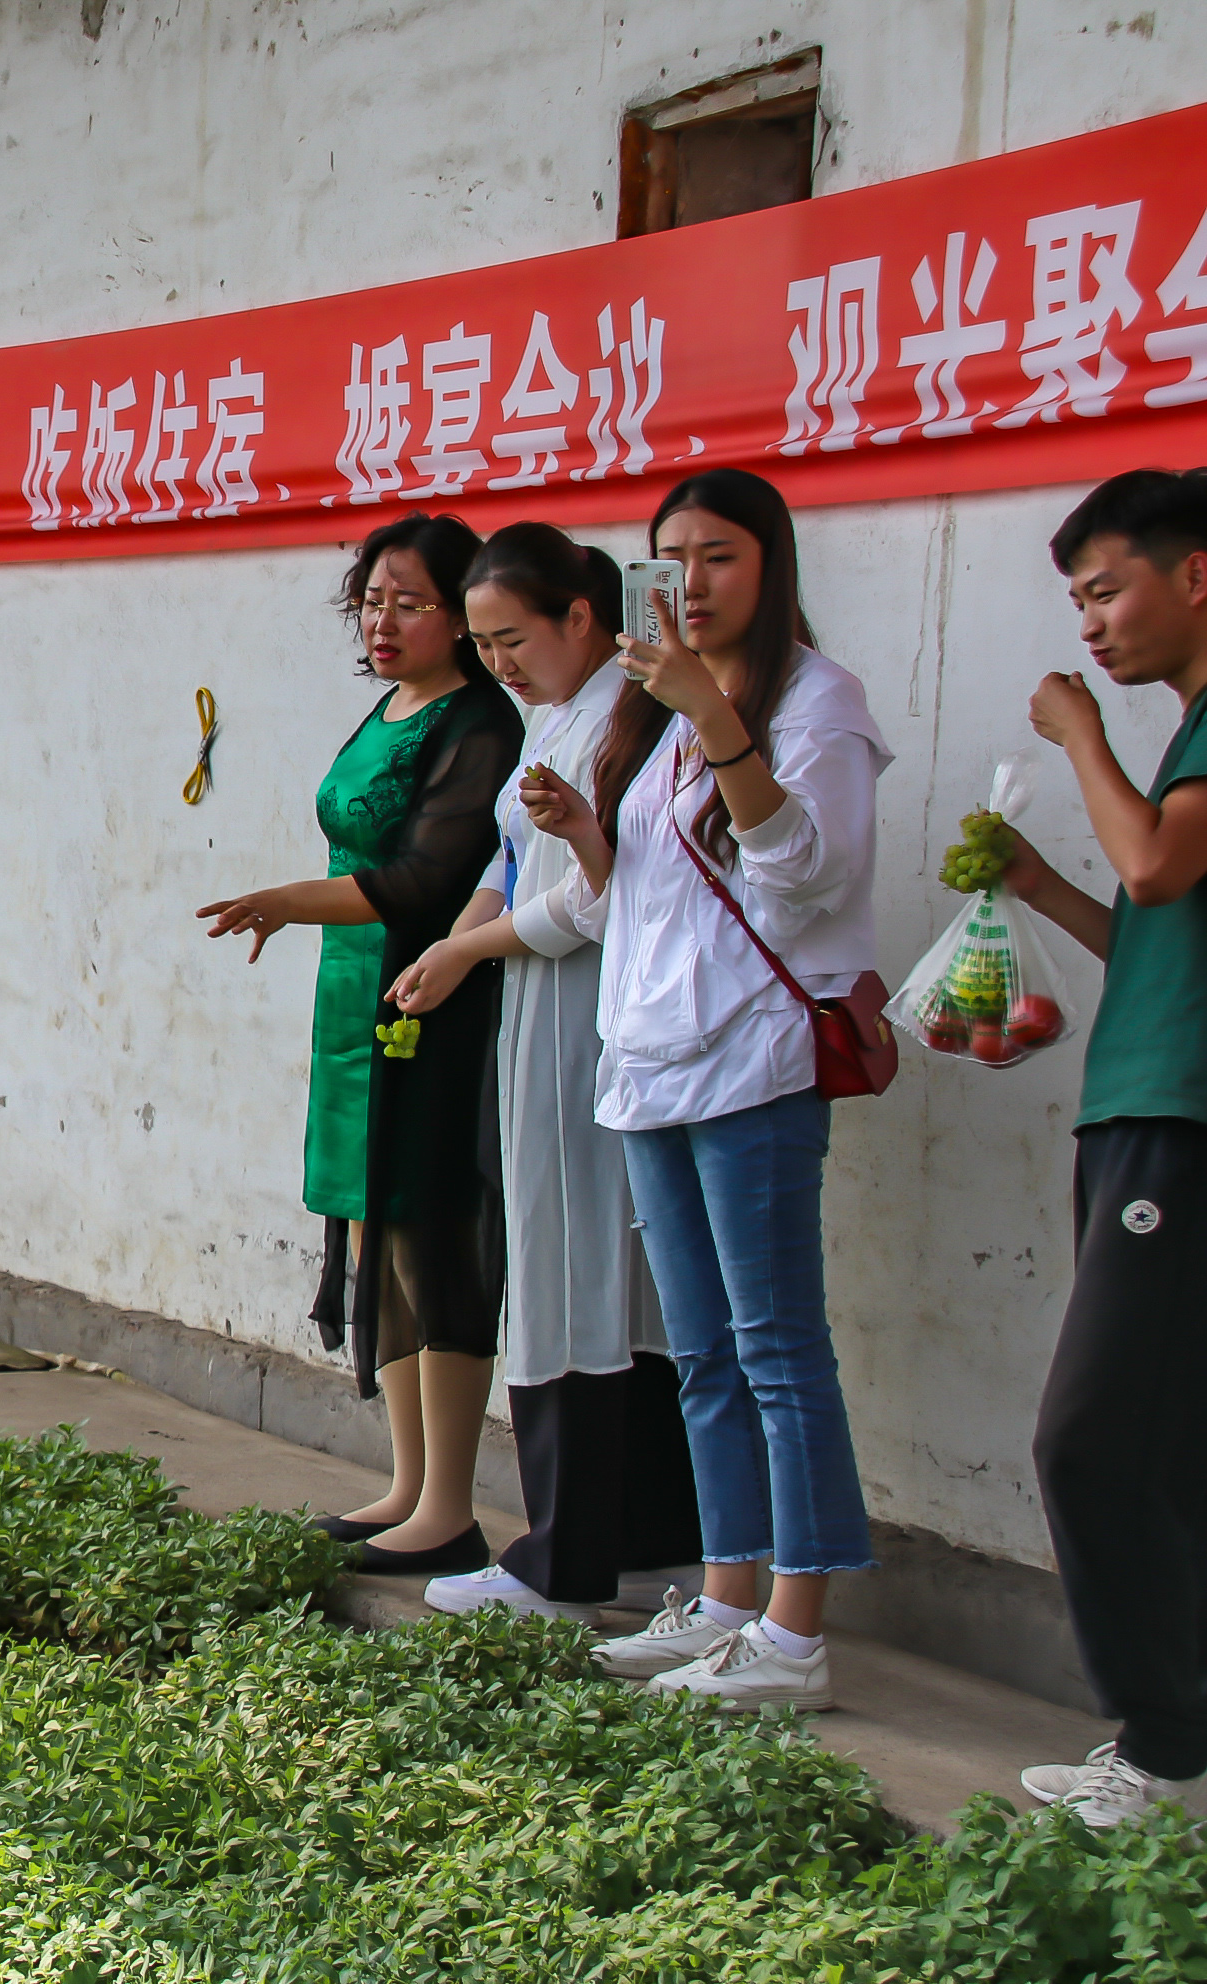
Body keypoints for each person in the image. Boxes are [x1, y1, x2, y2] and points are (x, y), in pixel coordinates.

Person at [520, 467, 889, 1708]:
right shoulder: (655, 709)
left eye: (719, 555)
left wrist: (719, 725)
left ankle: (799, 1626)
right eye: (671, 555)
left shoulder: (818, 704)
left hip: (757, 1063)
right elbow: (647, 902)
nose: (692, 580)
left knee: (780, 1343)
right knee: (705, 1355)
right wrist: (585, 832)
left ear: (772, 564)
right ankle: (726, 1599)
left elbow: (803, 883)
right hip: (655, 1062)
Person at [383, 522, 702, 1621]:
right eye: (485, 643)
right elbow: (511, 862)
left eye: (515, 637)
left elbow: (586, 902)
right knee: (586, 1273)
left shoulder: (631, 715)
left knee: (581, 1277)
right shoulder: (562, 714)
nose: (501, 664)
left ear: (584, 616)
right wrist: (454, 944)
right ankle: (633, 1541)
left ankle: (572, 1557)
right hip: (543, 1009)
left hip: (586, 1015)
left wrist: (470, 946)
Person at [199, 513, 522, 1575]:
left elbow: (432, 879)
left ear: (462, 618)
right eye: (372, 600)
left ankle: (451, 1503)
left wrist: (289, 899)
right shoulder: (392, 707)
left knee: (432, 1237)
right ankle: (405, 1483)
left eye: (409, 602)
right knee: (377, 1231)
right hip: (353, 997)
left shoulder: (481, 724)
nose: (383, 621)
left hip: (430, 997)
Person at [991, 469, 1207, 1829]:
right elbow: (1147, 926)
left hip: (1180, 1124)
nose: (1092, 629)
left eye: (1108, 590)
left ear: (1198, 577)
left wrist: (1077, 738)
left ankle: (1166, 1748)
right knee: (1163, 1445)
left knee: (1087, 1441)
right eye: (1077, 602)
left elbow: (1158, 873)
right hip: (1139, 1109)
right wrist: (1031, 886)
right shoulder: (1187, 741)